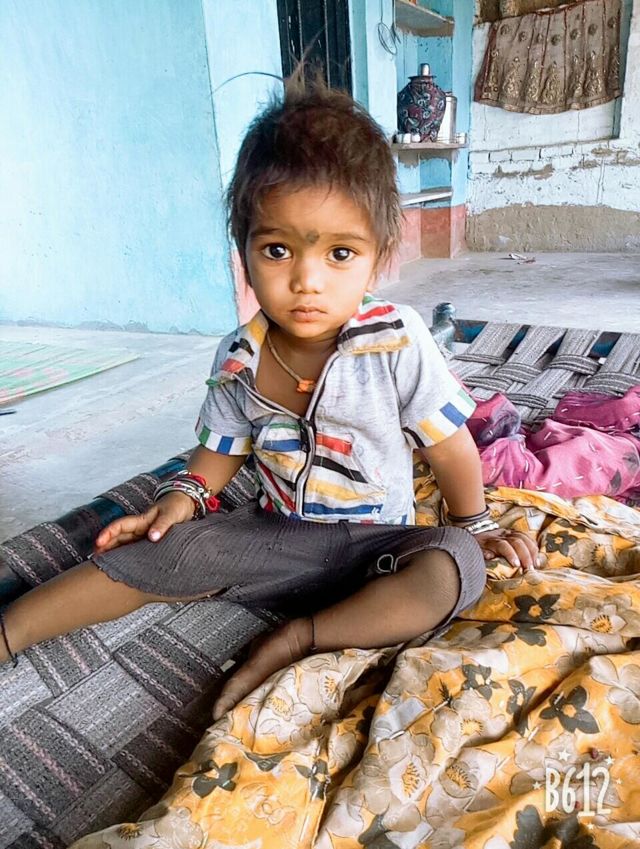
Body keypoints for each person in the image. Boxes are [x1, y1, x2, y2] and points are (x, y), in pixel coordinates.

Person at [0, 72, 541, 720]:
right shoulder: (239, 355)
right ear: (245, 253)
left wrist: (474, 524)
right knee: (158, 548)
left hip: (378, 545)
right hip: (273, 538)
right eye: (278, 249)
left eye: (340, 253)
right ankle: (9, 631)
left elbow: (449, 448)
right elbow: (222, 450)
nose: (307, 280)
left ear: (378, 255)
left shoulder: (398, 341)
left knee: (456, 565)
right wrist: (182, 497)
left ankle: (295, 639)